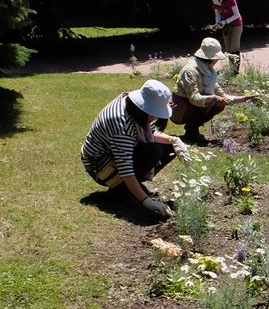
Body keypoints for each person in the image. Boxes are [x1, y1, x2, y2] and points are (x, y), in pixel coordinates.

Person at [81, 79, 189, 218]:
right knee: (153, 152)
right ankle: (121, 191)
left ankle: (127, 188)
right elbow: (125, 166)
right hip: (98, 163)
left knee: (167, 147)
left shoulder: (135, 108)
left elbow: (152, 131)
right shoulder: (120, 123)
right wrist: (146, 201)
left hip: (116, 153)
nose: (155, 118)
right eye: (153, 114)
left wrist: (174, 140)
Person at [171, 37, 230, 145]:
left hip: (190, 106)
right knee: (210, 99)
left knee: (218, 104)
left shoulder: (209, 72)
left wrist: (245, 99)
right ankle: (192, 132)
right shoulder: (190, 71)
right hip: (179, 109)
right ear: (211, 59)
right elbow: (194, 98)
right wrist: (213, 98)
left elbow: (221, 93)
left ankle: (192, 129)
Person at [209, 0, 243, 73]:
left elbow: (236, 14)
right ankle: (232, 68)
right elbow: (217, 14)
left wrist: (225, 21)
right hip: (225, 26)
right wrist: (218, 23)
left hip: (236, 25)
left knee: (234, 48)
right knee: (228, 48)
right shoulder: (214, 0)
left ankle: (235, 71)